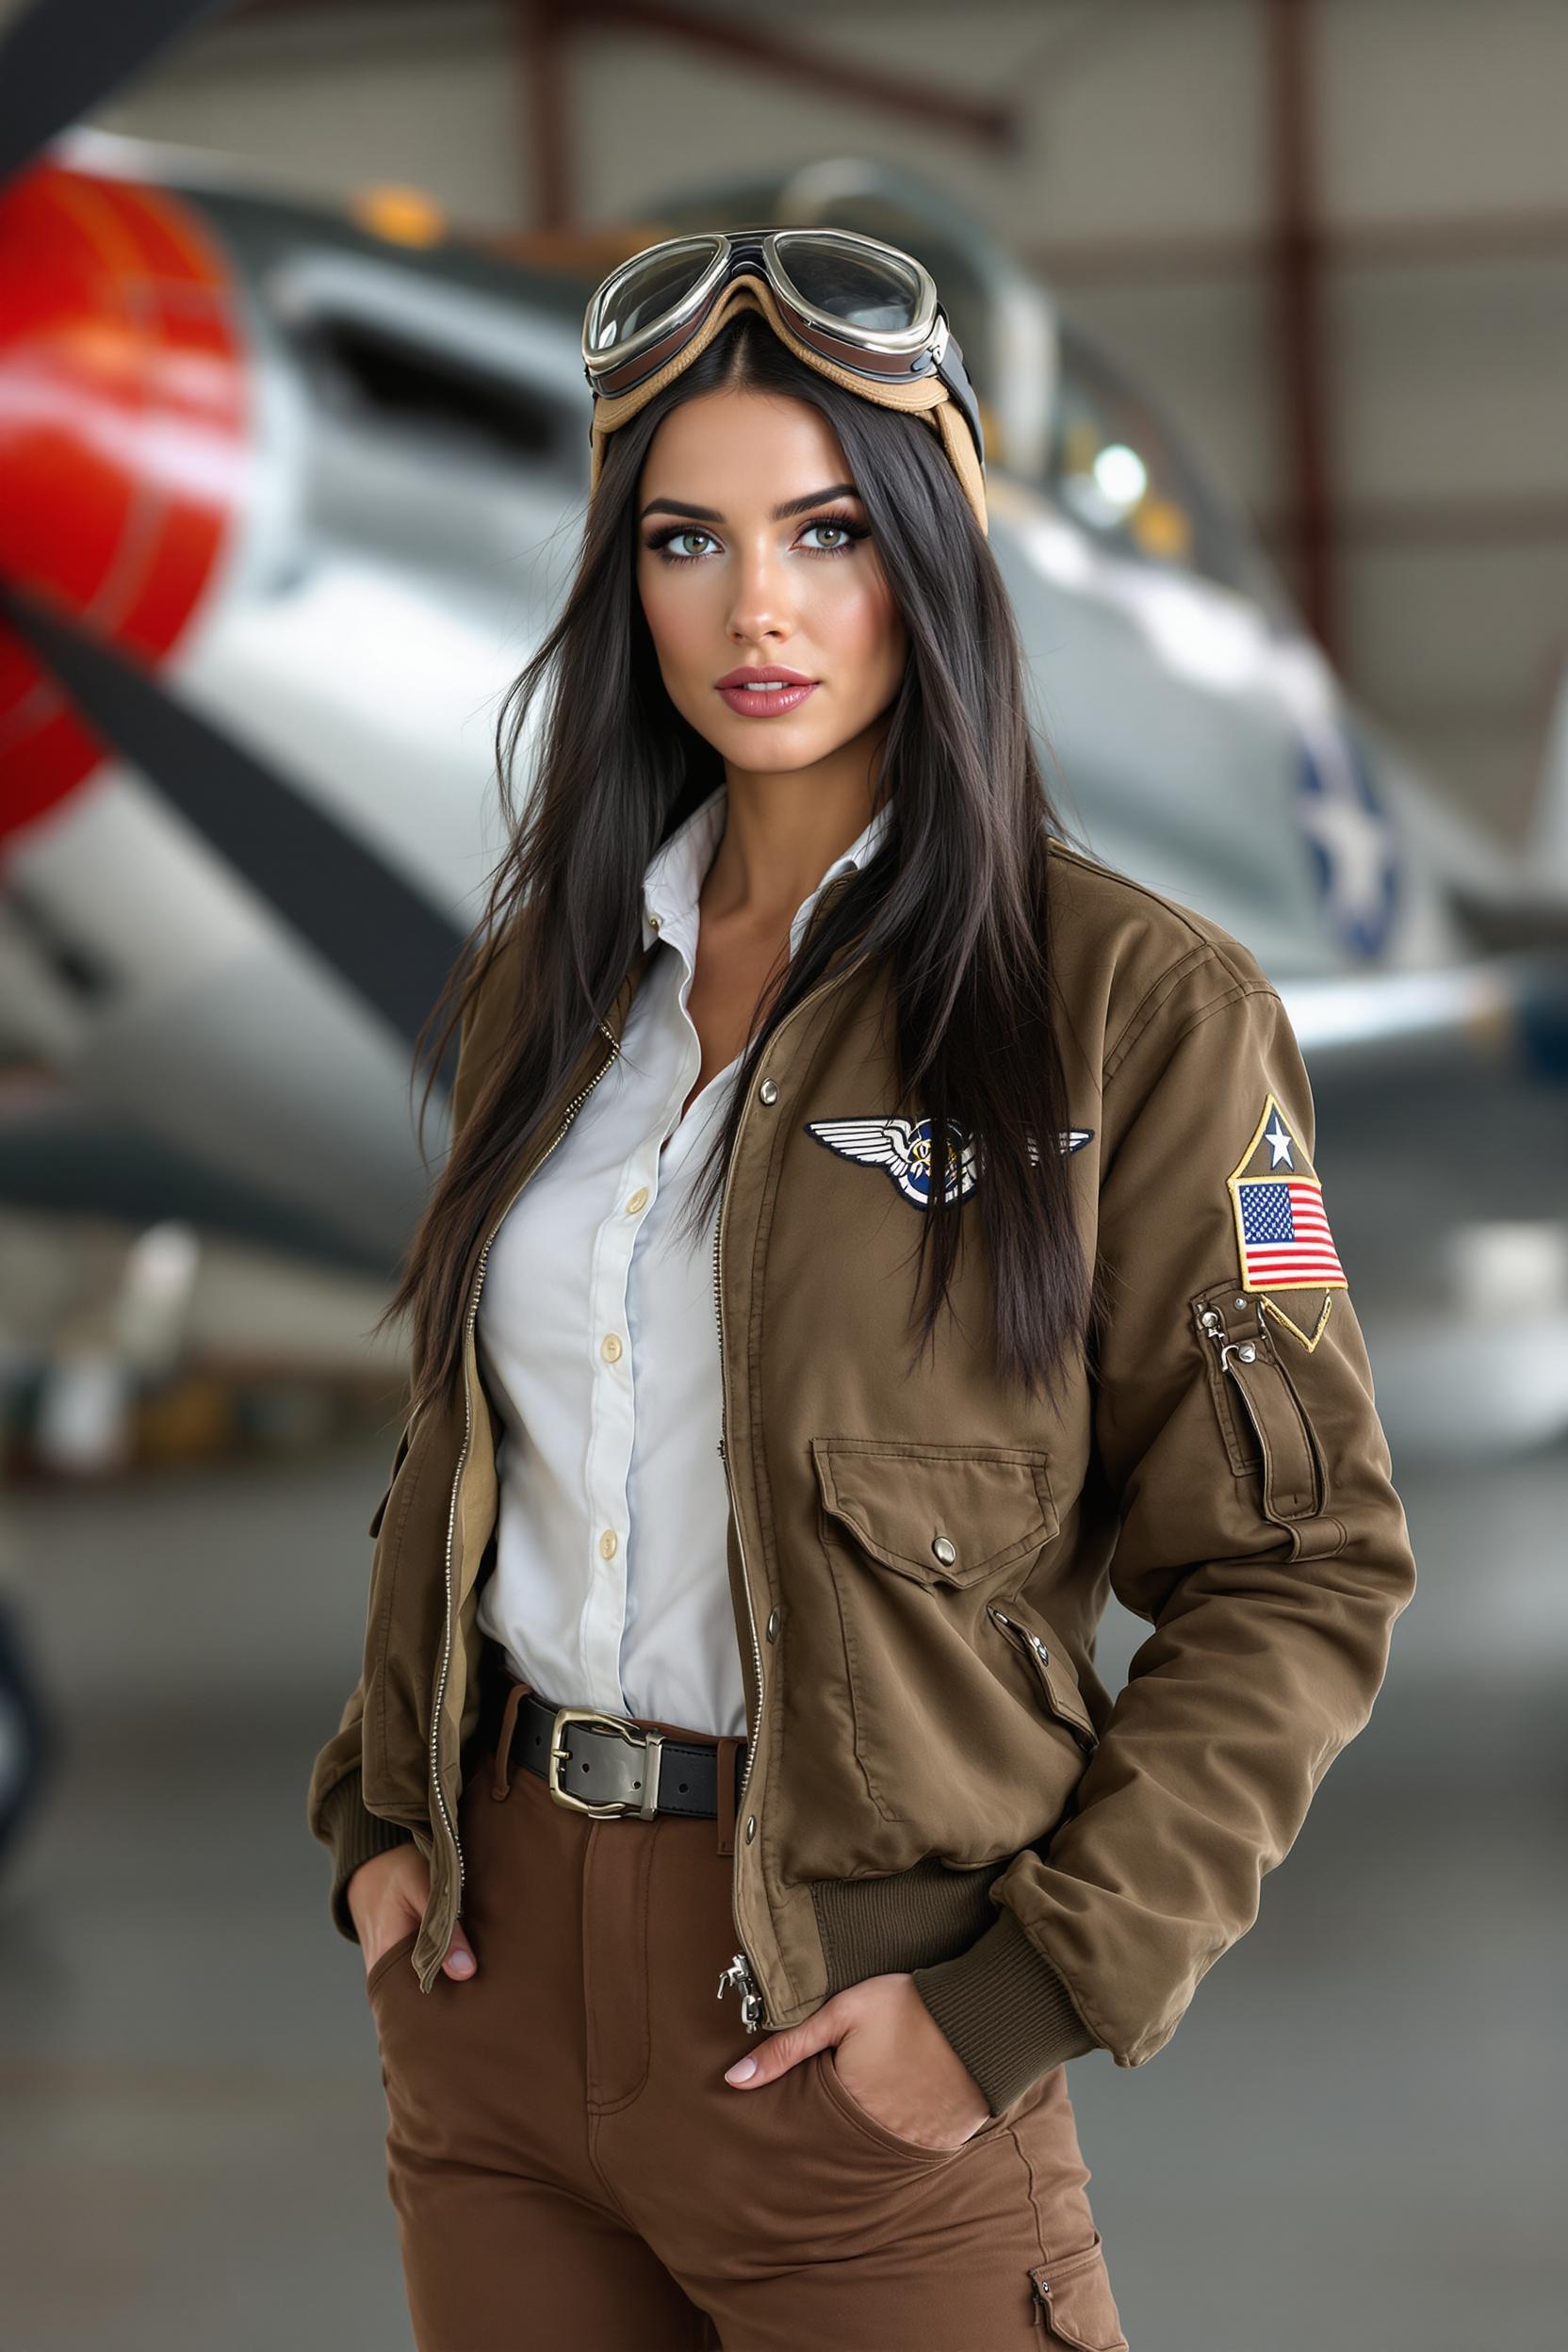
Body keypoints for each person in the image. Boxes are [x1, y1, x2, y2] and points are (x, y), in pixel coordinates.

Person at [306, 227, 1417, 2350]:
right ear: (621, 584)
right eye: (685, 541)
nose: (759, 611)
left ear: (933, 550)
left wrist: (1024, 1995)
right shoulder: (550, 982)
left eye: (827, 531)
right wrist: (379, 1818)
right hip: (487, 2014)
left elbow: (1302, 1563)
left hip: (854, 2031)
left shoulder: (1137, 1010)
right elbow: (469, 1445)